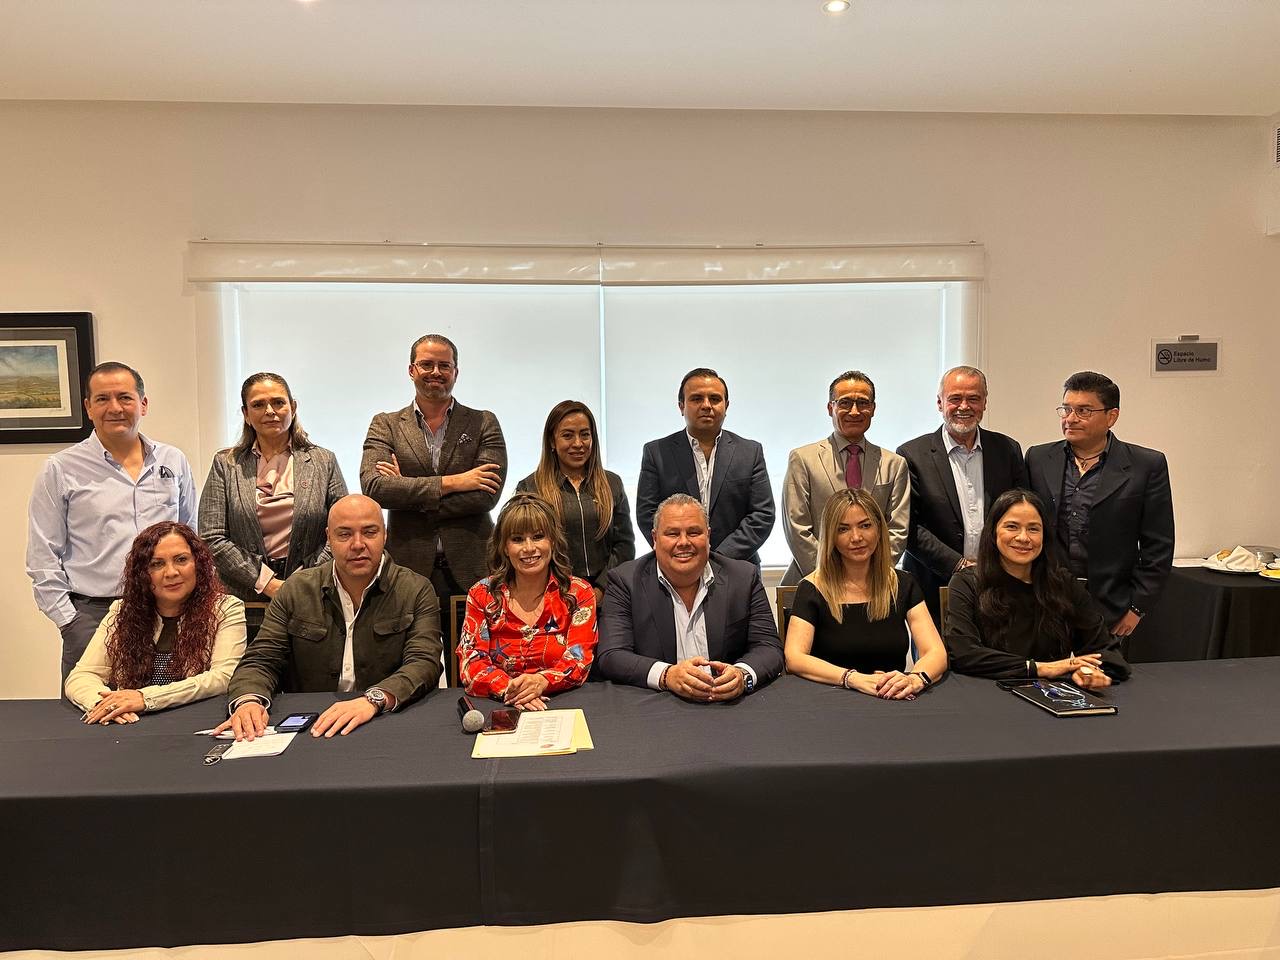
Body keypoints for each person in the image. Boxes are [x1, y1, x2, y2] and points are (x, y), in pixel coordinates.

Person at [217, 494, 443, 740]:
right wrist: (249, 700)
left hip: (386, 719)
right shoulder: (295, 590)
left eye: (369, 532)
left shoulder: (416, 589)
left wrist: (374, 699)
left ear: (385, 535)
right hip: (311, 726)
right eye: (344, 534)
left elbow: (424, 662)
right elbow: (261, 660)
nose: (358, 544)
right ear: (329, 538)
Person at [27, 361, 197, 684]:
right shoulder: (61, 469)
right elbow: (42, 556)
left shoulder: (173, 461)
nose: (115, 408)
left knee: (168, 706)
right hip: (94, 616)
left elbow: (190, 536)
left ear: (143, 404)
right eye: (103, 399)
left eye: (125, 397)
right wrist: (70, 622)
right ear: (88, 408)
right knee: (92, 709)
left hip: (166, 611)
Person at [360, 333, 507, 633]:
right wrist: (456, 482)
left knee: (473, 656)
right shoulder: (386, 424)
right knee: (412, 655)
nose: (436, 372)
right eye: (427, 364)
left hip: (473, 568)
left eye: (444, 365)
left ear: (456, 372)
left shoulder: (483, 422)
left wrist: (406, 491)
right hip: (407, 567)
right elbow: (375, 488)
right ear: (411, 370)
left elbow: (486, 496)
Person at [1025, 372, 1174, 638]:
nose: (1070, 418)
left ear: (1111, 416)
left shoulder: (1145, 466)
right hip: (1046, 602)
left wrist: (1137, 607)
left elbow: (1158, 545)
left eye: (1083, 411)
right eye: (1066, 409)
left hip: (1112, 606)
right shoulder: (1038, 458)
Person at [595, 493, 783, 700]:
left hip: (728, 705)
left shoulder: (744, 577)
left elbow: (768, 647)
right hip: (658, 706)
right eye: (672, 534)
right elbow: (612, 655)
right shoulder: (625, 581)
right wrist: (666, 675)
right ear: (655, 539)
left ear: (708, 536)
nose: (684, 542)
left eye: (694, 532)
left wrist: (742, 674)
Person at [198, 372, 347, 629]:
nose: (270, 411)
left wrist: (303, 581)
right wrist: (266, 582)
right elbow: (212, 536)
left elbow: (342, 530)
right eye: (258, 405)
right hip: (243, 601)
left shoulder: (323, 461)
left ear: (293, 407)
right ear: (246, 414)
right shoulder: (226, 464)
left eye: (278, 402)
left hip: (312, 597)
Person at [944, 489, 1129, 685]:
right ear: (993, 532)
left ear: (1044, 536)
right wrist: (1041, 668)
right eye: (1012, 527)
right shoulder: (966, 583)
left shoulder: (1063, 583)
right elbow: (963, 653)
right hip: (987, 693)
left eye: (1033, 529)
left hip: (1053, 695)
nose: (1023, 537)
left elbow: (1107, 653)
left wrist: (1087, 671)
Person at [65, 522, 246, 722]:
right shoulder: (121, 611)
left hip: (194, 721)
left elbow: (224, 677)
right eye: (157, 564)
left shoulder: (226, 608)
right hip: (133, 723)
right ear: (142, 573)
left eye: (181, 559)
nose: (171, 572)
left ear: (198, 563)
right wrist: (107, 706)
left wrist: (145, 698)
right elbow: (82, 676)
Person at [784, 489, 946, 698]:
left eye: (865, 525)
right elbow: (794, 658)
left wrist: (915, 679)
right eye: (843, 529)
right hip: (830, 698)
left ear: (879, 529)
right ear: (831, 536)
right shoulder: (811, 588)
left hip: (890, 697)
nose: (856, 537)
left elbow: (935, 652)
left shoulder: (903, 583)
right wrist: (853, 678)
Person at [897, 366, 1027, 623]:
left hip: (1001, 583)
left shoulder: (1007, 450)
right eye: (955, 398)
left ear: (985, 402)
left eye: (973, 398)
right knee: (938, 650)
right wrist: (959, 566)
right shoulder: (911, 455)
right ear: (940, 403)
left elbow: (1022, 513)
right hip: (934, 586)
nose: (964, 406)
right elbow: (909, 527)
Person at [457, 494, 597, 710]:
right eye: (517, 539)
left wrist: (541, 682)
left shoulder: (578, 592)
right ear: (504, 547)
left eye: (538, 537)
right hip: (499, 703)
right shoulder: (482, 594)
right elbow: (471, 663)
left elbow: (579, 660)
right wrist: (512, 689)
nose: (529, 548)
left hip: (562, 702)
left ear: (553, 541)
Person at [635, 368, 774, 564]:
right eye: (696, 399)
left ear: (726, 405)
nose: (706, 405)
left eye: (715, 399)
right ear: (681, 406)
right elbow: (648, 514)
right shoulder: (656, 453)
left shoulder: (750, 452)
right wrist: (686, 554)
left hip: (738, 567)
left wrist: (719, 558)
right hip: (677, 567)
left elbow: (762, 515)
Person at [781, 370, 909, 583]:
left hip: (874, 584)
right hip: (813, 581)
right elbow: (797, 528)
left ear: (873, 409)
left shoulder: (894, 464)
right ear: (830, 408)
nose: (854, 411)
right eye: (845, 403)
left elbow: (898, 529)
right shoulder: (802, 459)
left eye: (863, 403)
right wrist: (831, 578)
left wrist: (869, 577)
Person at [515, 400, 634, 604]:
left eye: (585, 434)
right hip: (553, 595)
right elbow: (527, 548)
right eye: (568, 435)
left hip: (608, 594)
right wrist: (565, 593)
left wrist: (600, 590)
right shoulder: (530, 488)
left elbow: (624, 545)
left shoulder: (612, 483)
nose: (578, 443)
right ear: (552, 441)